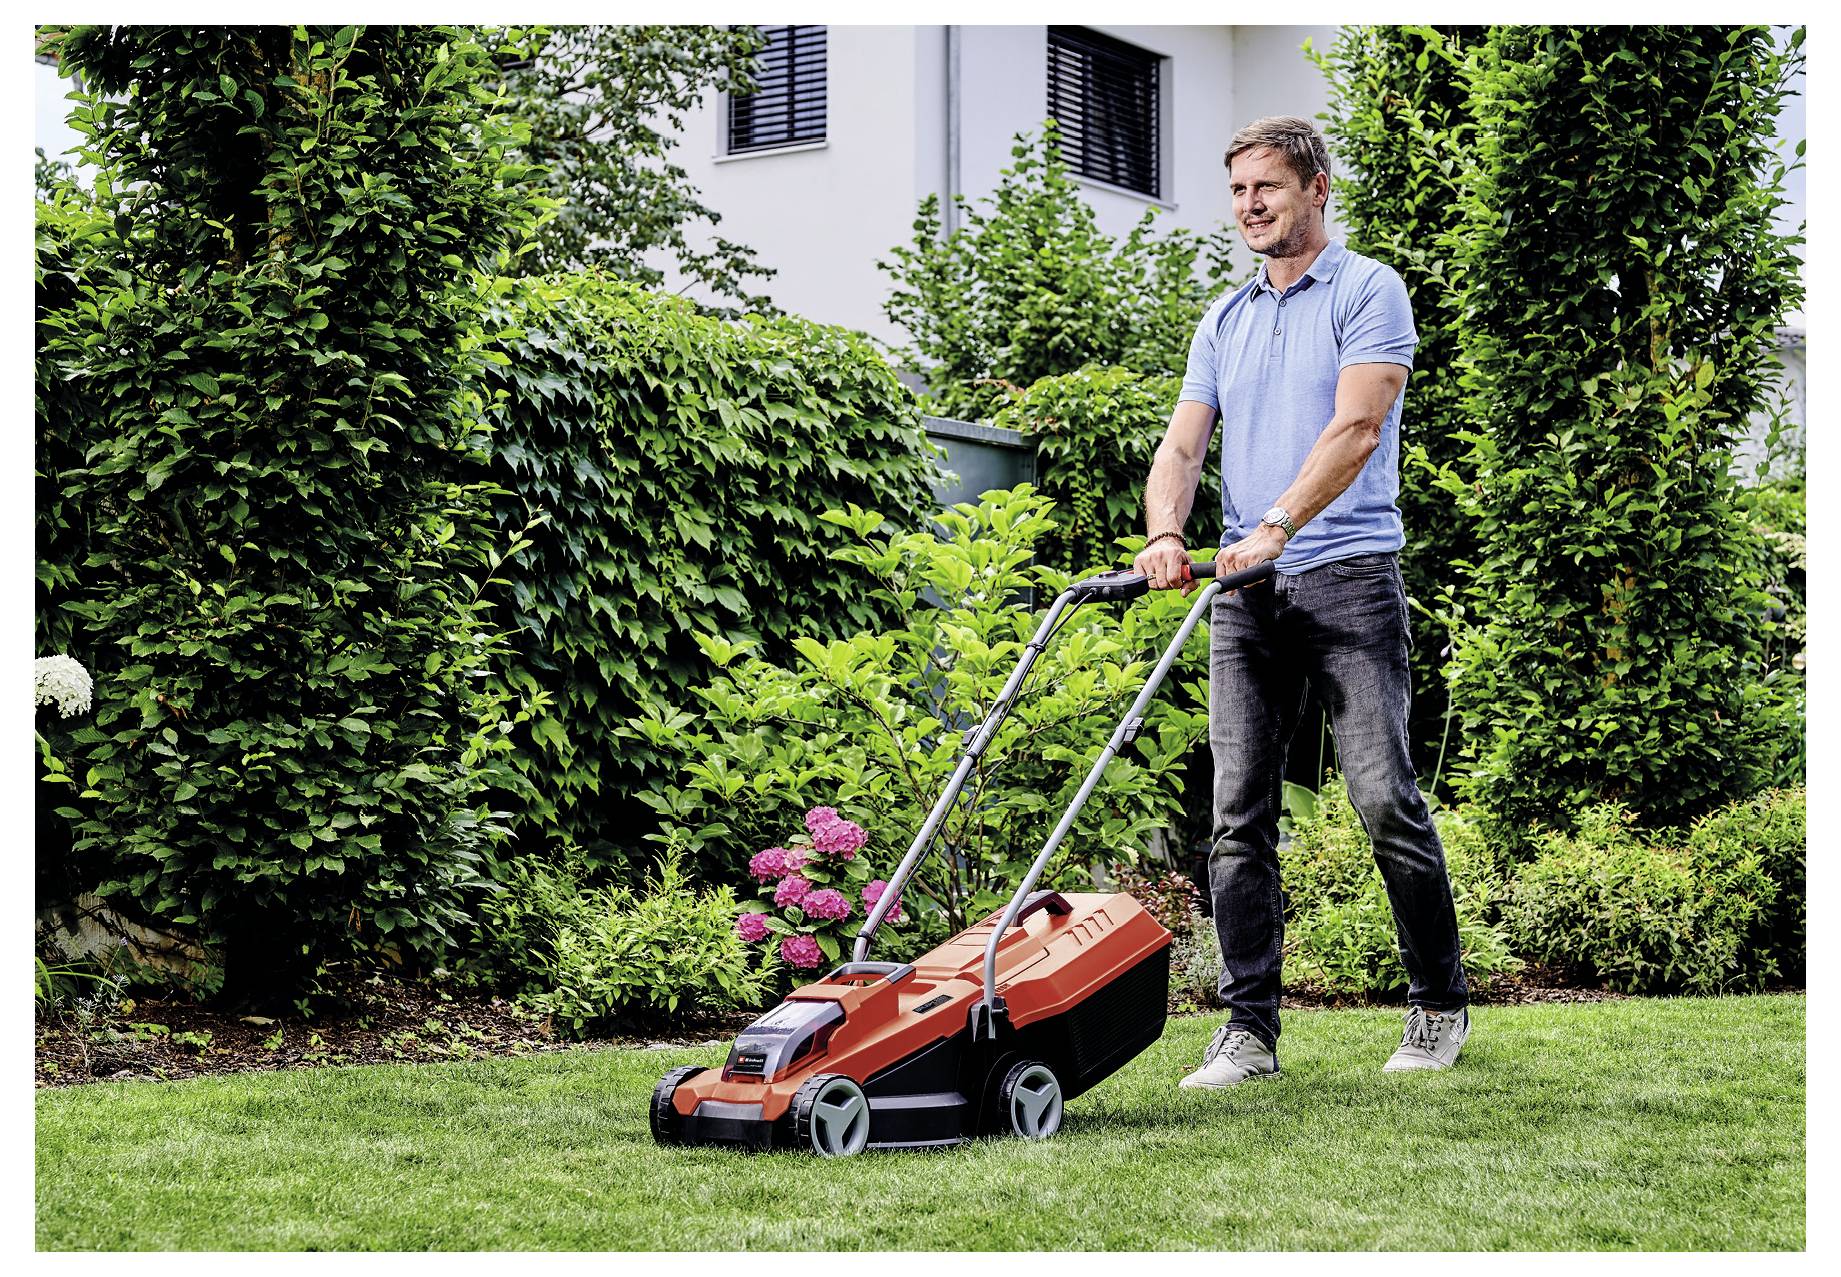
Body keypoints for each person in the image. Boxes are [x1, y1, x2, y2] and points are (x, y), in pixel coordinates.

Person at [1132, 116, 1469, 1086]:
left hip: (1349, 575)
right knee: (1236, 813)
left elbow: (1357, 426)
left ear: (1315, 187)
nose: (1248, 206)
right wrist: (1165, 531)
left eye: (1266, 188)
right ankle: (1247, 1030)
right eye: (1237, 190)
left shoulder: (1367, 290)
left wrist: (1277, 519)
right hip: (1244, 590)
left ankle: (1436, 1004)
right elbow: (1183, 446)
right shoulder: (1224, 316)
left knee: (1381, 796)